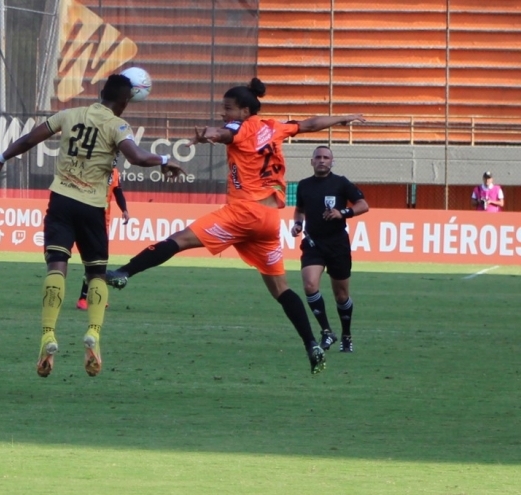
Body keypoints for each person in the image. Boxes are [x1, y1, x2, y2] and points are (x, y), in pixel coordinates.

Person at [106, 77, 366, 374]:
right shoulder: (274, 126)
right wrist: (344, 117)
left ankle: (125, 272)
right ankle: (311, 343)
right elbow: (310, 123)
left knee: (179, 240)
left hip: (244, 213)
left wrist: (208, 135)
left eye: (227, 108)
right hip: (269, 220)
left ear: (244, 110)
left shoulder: (238, 127)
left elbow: (226, 132)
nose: (223, 113)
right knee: (281, 289)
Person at [0, 74, 184, 379]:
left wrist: (0, 158)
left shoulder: (69, 114)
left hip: (61, 201)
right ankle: (93, 334)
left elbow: (29, 139)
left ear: (101, 93)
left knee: (56, 267)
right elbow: (137, 157)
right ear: (125, 101)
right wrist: (165, 158)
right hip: (92, 207)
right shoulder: (118, 126)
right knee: (96, 273)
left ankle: (48, 334)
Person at [290, 145, 369, 353]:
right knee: (309, 285)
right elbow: (299, 210)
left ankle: (346, 335)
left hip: (337, 244)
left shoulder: (341, 183)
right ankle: (326, 331)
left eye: (326, 157)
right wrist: (297, 224)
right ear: (312, 161)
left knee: (341, 296)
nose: (322, 160)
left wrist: (343, 212)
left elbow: (363, 204)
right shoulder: (304, 185)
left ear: (331, 162)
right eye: (318, 157)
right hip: (313, 243)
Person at [77, 166, 129, 310]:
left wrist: (124, 209)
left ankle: (94, 296)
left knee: (100, 260)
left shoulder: (114, 172)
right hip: (87, 218)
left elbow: (117, 191)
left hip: (103, 222)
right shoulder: (93, 165)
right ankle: (83, 298)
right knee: (91, 259)